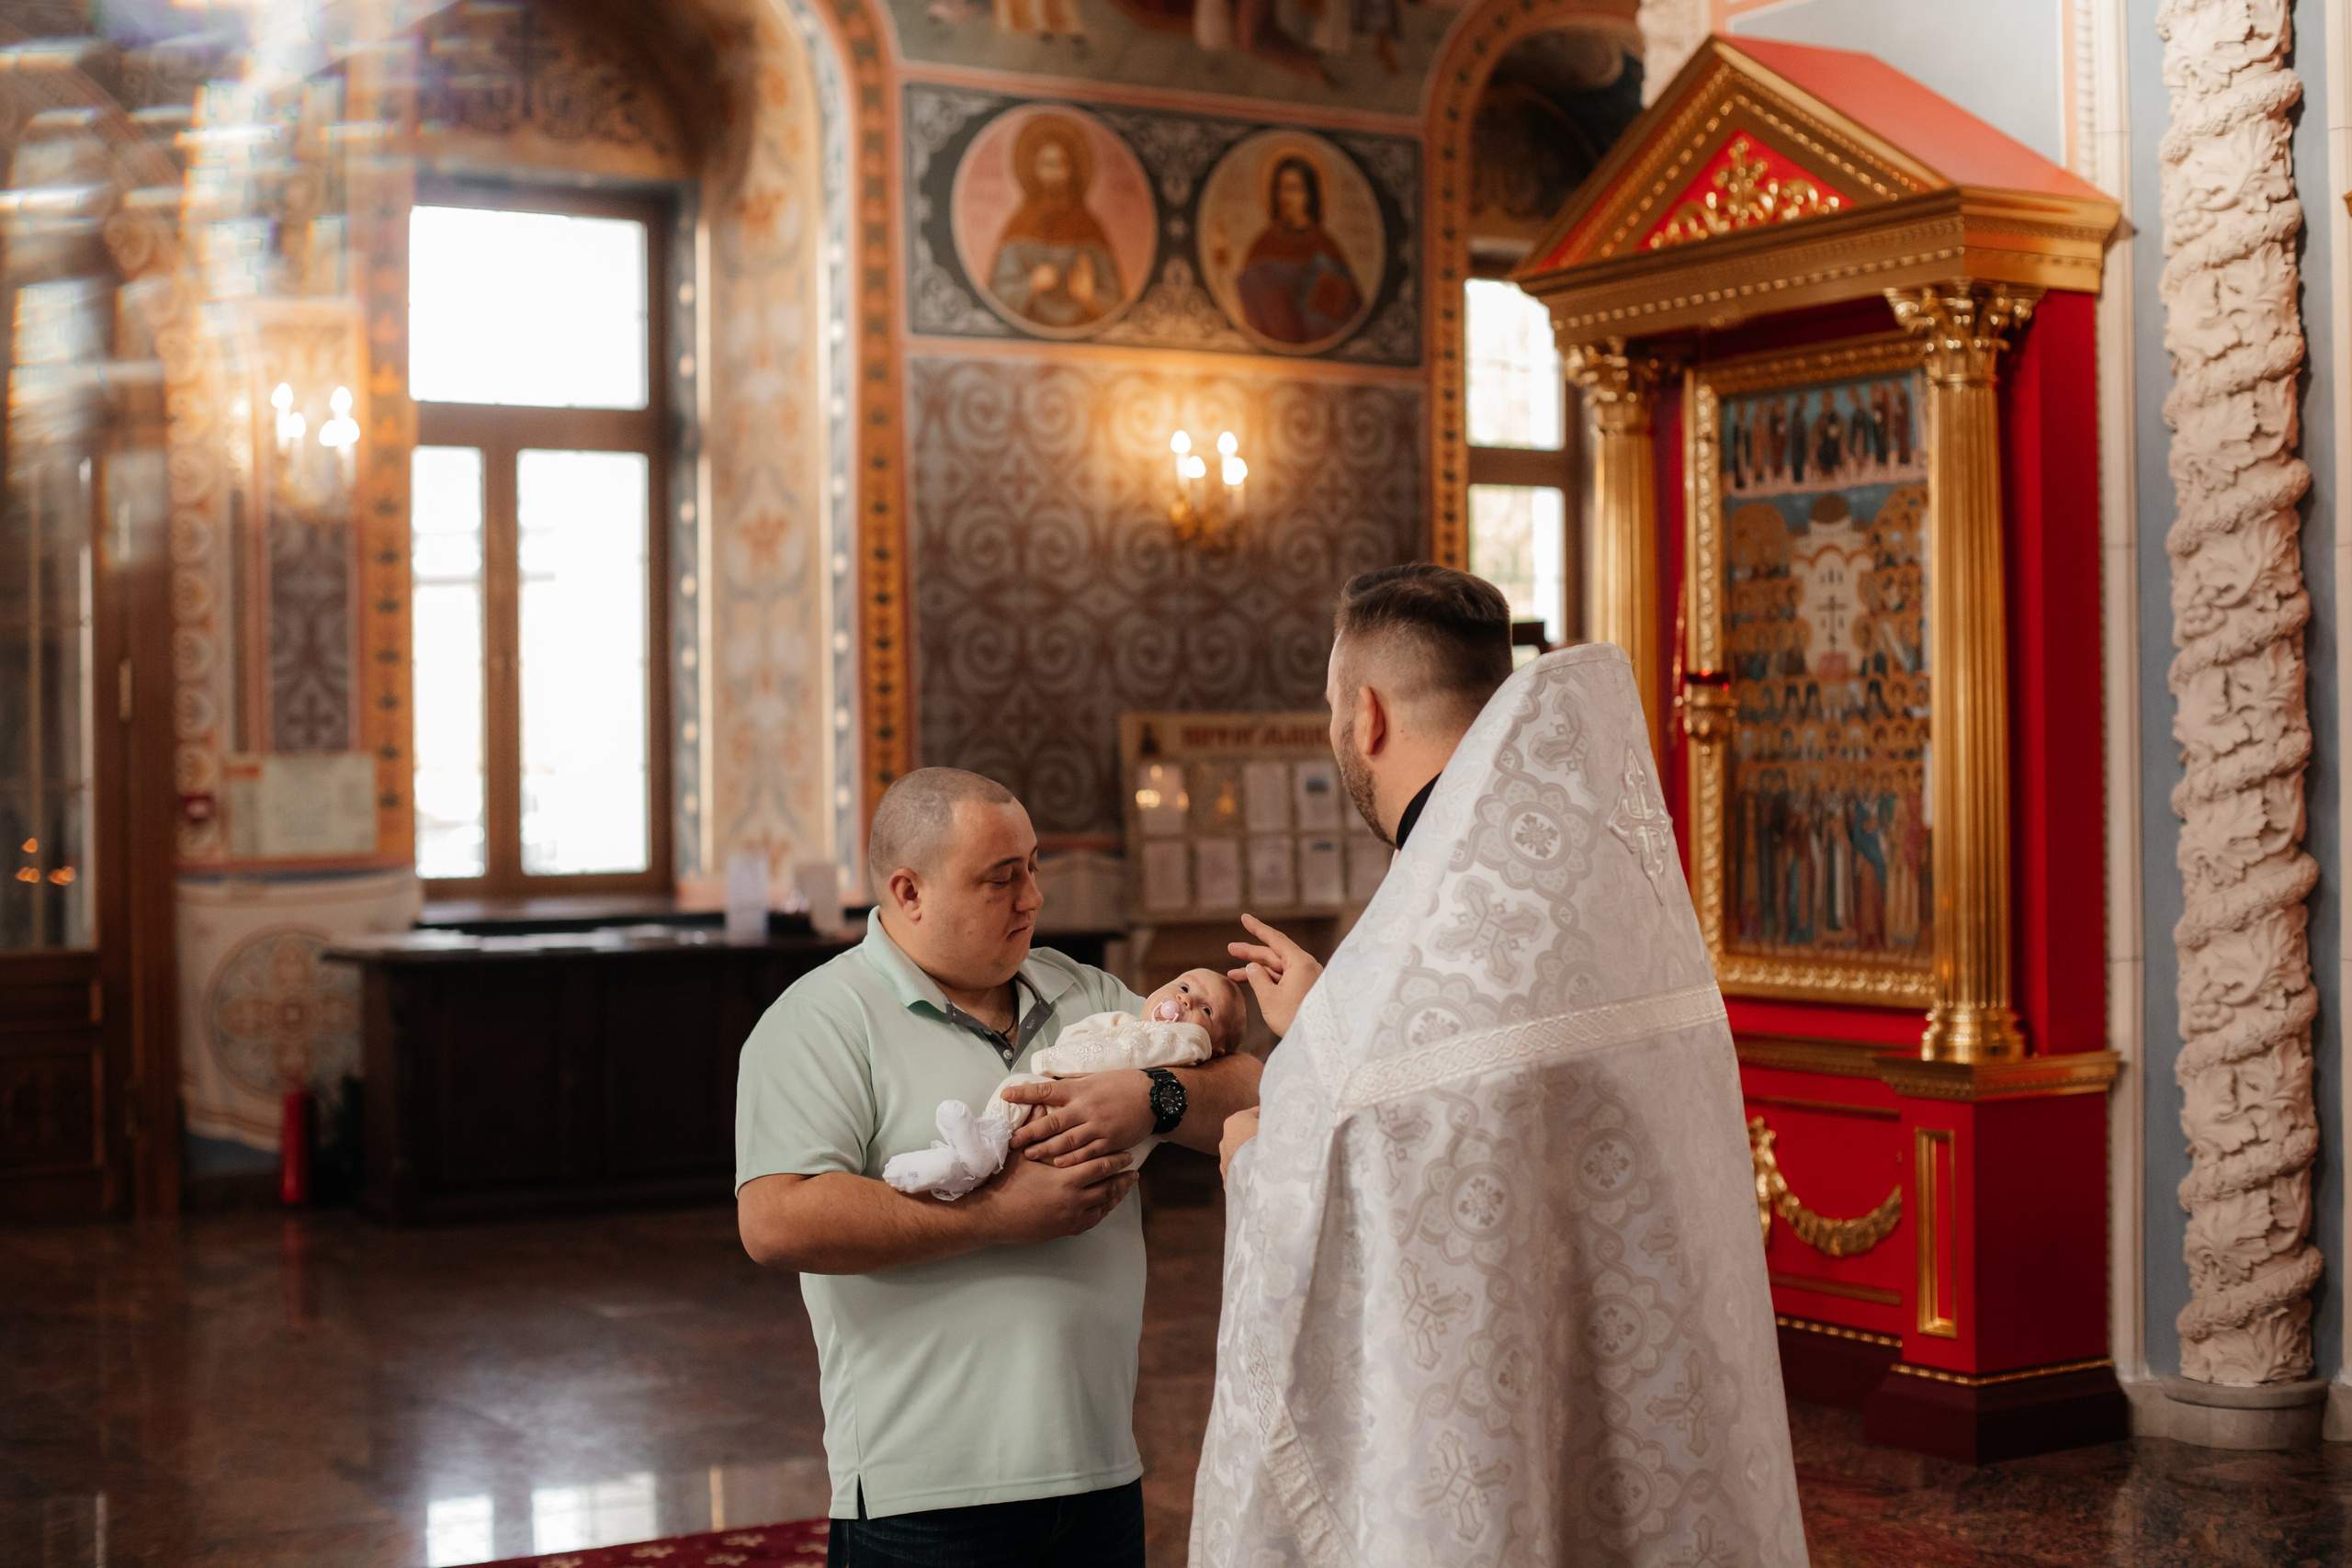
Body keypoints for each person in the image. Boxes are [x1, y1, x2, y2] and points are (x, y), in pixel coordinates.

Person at [1194, 566, 1804, 1565]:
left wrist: (1257, 1153)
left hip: (1476, 1443)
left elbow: (1361, 1191)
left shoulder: (1419, 951)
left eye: (1330, 712)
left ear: (1367, 716)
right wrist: (1328, 1025)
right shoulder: (1583, 899)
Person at [735, 768, 1261, 1567]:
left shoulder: (1085, 991)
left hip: (1099, 1469)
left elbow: (1255, 1087)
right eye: (1000, 877)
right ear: (908, 891)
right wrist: (995, 1215)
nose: (1033, 897)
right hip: (927, 1494)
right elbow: (774, 1220)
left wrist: (1149, 1096)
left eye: (1035, 866)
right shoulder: (819, 1019)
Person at [986, 115, 1124, 332]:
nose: (1055, 174)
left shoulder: (1089, 227)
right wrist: (1030, 284)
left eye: (1061, 164)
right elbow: (996, 296)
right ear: (1034, 170)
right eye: (1047, 164)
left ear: (1072, 170)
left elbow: (1118, 304)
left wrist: (1090, 296)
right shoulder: (1020, 226)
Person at [1232, 154, 1364, 346]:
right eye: (1281, 188)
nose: (1285, 196)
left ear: (1309, 194)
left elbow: (1350, 307)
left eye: (1293, 189)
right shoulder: (1264, 242)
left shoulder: (1325, 245)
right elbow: (1249, 296)